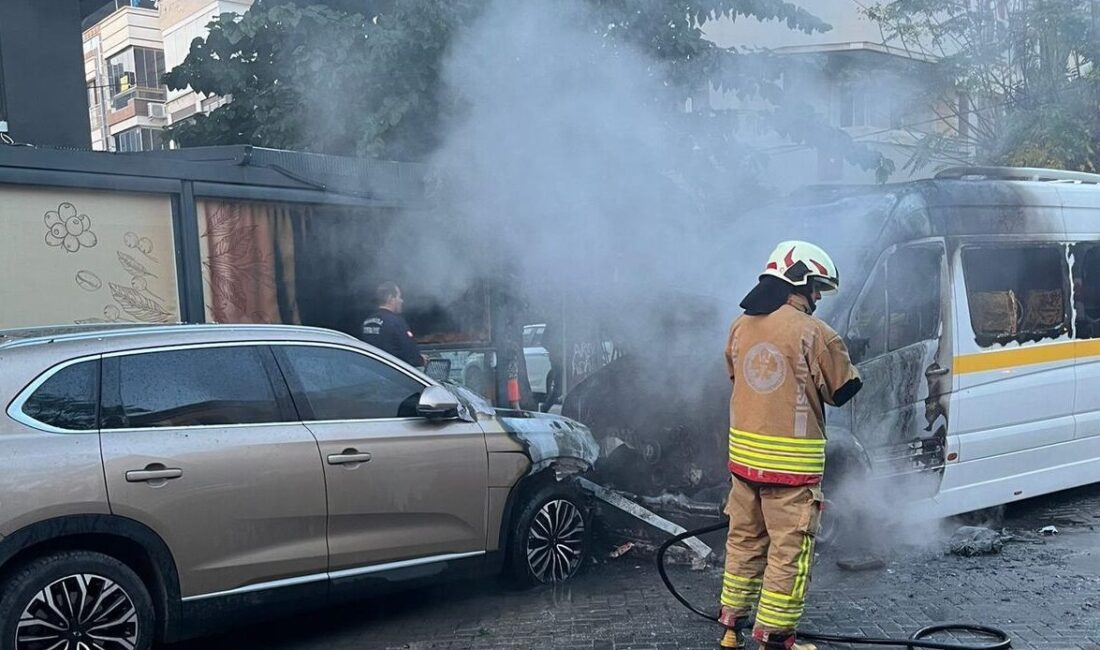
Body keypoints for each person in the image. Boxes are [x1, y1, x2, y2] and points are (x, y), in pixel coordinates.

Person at [718, 241, 863, 650]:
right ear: (796, 281)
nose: (817, 296)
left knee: (743, 542)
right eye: (816, 287)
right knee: (789, 555)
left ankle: (731, 629)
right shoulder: (816, 333)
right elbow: (843, 391)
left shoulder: (738, 326)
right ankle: (776, 638)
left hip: (744, 465)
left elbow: (737, 376)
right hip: (791, 471)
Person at [361, 282, 425, 367]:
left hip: (373, 371)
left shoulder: (367, 322)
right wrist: (421, 360)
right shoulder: (396, 322)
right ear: (390, 298)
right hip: (392, 375)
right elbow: (411, 356)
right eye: (399, 297)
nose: (401, 301)